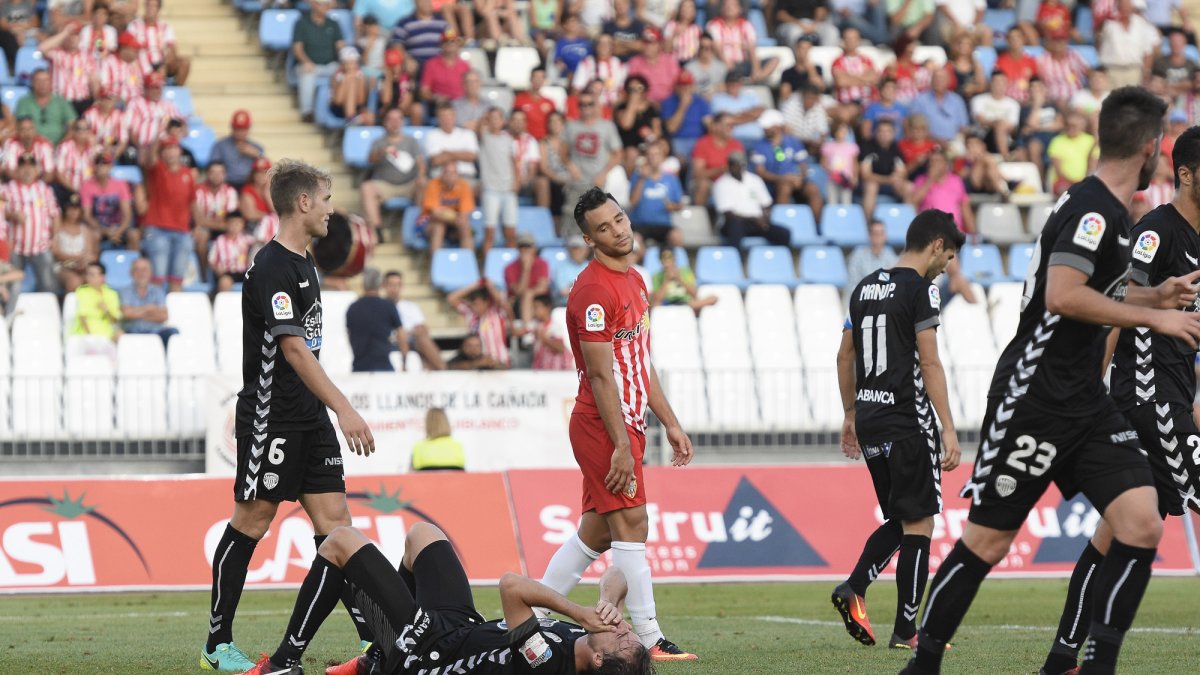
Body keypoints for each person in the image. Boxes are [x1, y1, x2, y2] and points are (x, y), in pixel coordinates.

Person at [899, 88, 1200, 675]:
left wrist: (1152, 292)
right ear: (1150, 148)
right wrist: (1155, 314)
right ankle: (924, 663)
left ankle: (1092, 665)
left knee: (1140, 521)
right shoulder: (1096, 213)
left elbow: (1085, 289)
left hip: (1085, 401)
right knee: (987, 543)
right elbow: (1063, 296)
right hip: (1034, 396)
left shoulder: (1107, 212)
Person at [200, 159, 376, 672]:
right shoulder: (273, 266)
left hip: (309, 417)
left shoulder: (305, 263)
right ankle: (217, 644)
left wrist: (327, 410)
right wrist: (344, 408)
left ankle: (372, 641)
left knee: (336, 526)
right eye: (324, 199)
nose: (330, 209)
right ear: (303, 203)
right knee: (253, 520)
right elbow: (296, 350)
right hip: (271, 417)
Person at [1037, 126, 1200, 675]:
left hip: (1175, 400)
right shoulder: (1155, 234)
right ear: (1184, 173)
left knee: (1114, 535)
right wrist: (1091, 393)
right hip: (1148, 400)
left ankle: (1063, 657)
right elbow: (1111, 308)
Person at [537, 188, 696, 662]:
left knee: (597, 533)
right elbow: (603, 375)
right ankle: (649, 637)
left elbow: (639, 362)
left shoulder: (637, 281)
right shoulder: (592, 291)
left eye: (620, 219)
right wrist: (622, 445)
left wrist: (669, 422)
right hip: (601, 425)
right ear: (589, 239)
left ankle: (531, 619)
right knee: (632, 523)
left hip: (627, 424)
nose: (618, 230)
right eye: (604, 227)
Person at [238, 522, 650, 675]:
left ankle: (282, 665)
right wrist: (607, 603)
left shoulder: (544, 664)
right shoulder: (588, 639)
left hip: (427, 655)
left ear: (599, 660)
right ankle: (375, 659)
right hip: (458, 630)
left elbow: (511, 586)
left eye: (623, 637)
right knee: (422, 536)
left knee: (340, 541)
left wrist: (582, 612)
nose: (623, 627)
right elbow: (615, 573)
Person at [834, 209, 964, 650]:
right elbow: (929, 361)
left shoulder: (864, 286)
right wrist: (948, 427)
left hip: (871, 419)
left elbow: (844, 356)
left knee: (903, 516)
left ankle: (854, 589)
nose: (946, 266)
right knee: (920, 521)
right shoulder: (922, 290)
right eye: (947, 257)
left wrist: (850, 414)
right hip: (909, 419)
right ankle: (906, 629)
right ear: (934, 246)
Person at [137, 134, 195, 291]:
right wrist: (157, 136)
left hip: (182, 231)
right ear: (161, 153)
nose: (170, 152)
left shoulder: (188, 174)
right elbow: (149, 160)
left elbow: (192, 203)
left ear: (179, 151)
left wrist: (195, 227)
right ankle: (159, 312)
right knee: (158, 276)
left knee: (177, 277)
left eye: (173, 148)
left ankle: (174, 314)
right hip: (157, 228)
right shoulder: (158, 169)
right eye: (166, 149)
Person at [360, 108, 425, 234]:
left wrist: (421, 176)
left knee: (424, 183)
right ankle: (377, 230)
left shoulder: (411, 141)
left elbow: (421, 163)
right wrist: (382, 152)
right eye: (391, 119)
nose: (395, 122)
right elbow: (370, 159)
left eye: (398, 119)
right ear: (385, 123)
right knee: (366, 188)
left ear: (402, 122)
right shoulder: (379, 142)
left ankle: (418, 227)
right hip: (386, 184)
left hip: (409, 184)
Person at [4, 152, 61, 293]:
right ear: (17, 170)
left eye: (31, 167)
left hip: (41, 245)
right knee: (12, 284)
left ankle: (50, 311)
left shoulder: (45, 189)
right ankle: (10, 312)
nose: (27, 170)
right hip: (14, 246)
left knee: (48, 283)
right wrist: (13, 215)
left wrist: (55, 237)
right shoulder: (6, 189)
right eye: (23, 167)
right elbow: (1, 213)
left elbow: (55, 214)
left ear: (36, 170)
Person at [752, 108, 823, 214]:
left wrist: (799, 177)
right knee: (785, 187)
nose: (764, 129)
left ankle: (816, 226)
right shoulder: (759, 146)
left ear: (777, 126)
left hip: (796, 180)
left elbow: (803, 164)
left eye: (767, 127)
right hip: (773, 184)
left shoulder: (793, 141)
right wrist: (782, 179)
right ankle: (782, 224)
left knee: (812, 189)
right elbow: (760, 172)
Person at [713, 150, 789, 247]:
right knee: (735, 227)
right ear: (729, 166)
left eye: (741, 164)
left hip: (757, 223)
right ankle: (736, 260)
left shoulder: (755, 180)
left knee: (784, 233)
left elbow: (766, 204)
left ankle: (778, 259)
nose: (739, 167)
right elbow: (728, 214)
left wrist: (765, 220)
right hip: (734, 223)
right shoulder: (721, 183)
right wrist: (754, 220)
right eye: (735, 165)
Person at [293, 0, 346, 124]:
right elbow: (297, 49)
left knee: (345, 72)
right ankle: (307, 112)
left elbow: (341, 46)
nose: (326, 7)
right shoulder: (302, 23)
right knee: (307, 74)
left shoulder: (333, 23)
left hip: (330, 65)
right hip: (310, 65)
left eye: (327, 4)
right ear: (314, 5)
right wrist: (306, 62)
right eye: (323, 4)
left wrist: (344, 62)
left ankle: (340, 109)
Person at [383, 270, 446, 370]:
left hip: (412, 340)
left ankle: (442, 370)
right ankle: (443, 372)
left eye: (398, 285)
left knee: (423, 339)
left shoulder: (410, 306)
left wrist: (407, 333)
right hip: (389, 342)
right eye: (391, 285)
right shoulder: (380, 307)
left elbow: (423, 329)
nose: (394, 288)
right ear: (384, 286)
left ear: (402, 287)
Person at [346, 267, 404, 373]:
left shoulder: (353, 308)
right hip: (383, 366)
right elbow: (401, 335)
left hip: (359, 366)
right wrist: (404, 362)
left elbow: (350, 336)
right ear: (380, 285)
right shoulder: (388, 306)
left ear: (363, 285)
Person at [627, 141, 684, 249]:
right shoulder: (637, 176)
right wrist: (642, 179)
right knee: (635, 242)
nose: (653, 158)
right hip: (640, 225)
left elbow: (680, 204)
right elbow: (632, 202)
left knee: (676, 236)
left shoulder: (671, 179)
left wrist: (673, 206)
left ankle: (677, 265)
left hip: (663, 225)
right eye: (650, 155)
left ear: (662, 157)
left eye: (656, 154)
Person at [479, 107, 520, 255]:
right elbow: (478, 126)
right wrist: (484, 117)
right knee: (490, 231)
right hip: (491, 190)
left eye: (498, 118)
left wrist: (516, 180)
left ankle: (511, 263)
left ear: (503, 121)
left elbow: (514, 161)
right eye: (492, 118)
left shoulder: (509, 139)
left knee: (511, 232)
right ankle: (487, 269)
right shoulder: (484, 136)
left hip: (508, 189)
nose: (495, 121)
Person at [81, 151, 137, 251]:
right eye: (98, 163)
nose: (101, 166)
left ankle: (135, 264)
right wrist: (106, 231)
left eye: (105, 163)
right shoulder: (86, 186)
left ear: (110, 166)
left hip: (118, 226)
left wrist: (118, 231)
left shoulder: (120, 185)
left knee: (134, 235)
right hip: (98, 227)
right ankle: (95, 264)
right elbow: (87, 216)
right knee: (94, 236)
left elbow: (127, 215)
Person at [448, 279, 511, 367]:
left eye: (480, 304)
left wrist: (490, 286)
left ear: (487, 303)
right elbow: (451, 298)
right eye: (474, 304)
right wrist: (476, 284)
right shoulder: (470, 314)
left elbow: (502, 303)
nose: (477, 307)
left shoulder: (495, 313)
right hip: (477, 362)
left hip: (499, 361)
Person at [910, 150, 973, 235]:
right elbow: (913, 202)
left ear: (946, 165)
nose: (933, 164)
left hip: (954, 232)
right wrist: (930, 180)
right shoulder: (921, 180)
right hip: (930, 233)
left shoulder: (956, 180)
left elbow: (965, 208)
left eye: (937, 161)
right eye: (931, 161)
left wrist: (973, 233)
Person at [420, 159, 475, 254]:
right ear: (442, 174)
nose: (450, 176)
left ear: (458, 174)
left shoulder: (464, 186)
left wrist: (455, 218)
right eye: (447, 173)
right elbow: (435, 213)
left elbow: (465, 213)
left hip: (455, 225)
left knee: (465, 226)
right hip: (430, 224)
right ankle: (436, 264)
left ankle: (468, 262)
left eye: (453, 173)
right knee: (439, 227)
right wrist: (455, 218)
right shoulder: (433, 184)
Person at [119, 256, 177, 345]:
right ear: (131, 273)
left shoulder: (158, 291)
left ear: (150, 273)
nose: (141, 273)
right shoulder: (125, 291)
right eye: (137, 270)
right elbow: (126, 314)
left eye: (144, 270)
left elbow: (164, 316)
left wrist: (136, 312)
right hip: (133, 332)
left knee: (173, 333)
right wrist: (149, 309)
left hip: (156, 332)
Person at [859, 120, 908, 221]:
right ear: (875, 132)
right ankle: (868, 223)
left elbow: (902, 171)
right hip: (871, 183)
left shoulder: (896, 148)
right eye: (881, 131)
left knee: (909, 187)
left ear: (893, 133)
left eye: (888, 131)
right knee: (871, 186)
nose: (884, 135)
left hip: (890, 184)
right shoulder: (867, 146)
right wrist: (888, 179)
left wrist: (896, 177)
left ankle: (907, 223)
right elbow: (865, 174)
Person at [15, 69, 76, 145]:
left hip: (59, 145)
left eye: (46, 80)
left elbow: (73, 124)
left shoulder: (61, 101)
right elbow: (20, 126)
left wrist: (63, 144)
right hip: (32, 145)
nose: (42, 84)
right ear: (32, 83)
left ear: (51, 82)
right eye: (38, 81)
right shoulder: (24, 102)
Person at [660, 70, 711, 161]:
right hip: (678, 139)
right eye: (682, 86)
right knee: (680, 160)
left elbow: (709, 124)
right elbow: (671, 128)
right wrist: (683, 106)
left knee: (699, 158)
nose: (685, 89)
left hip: (698, 139)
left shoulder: (700, 101)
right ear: (676, 87)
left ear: (692, 86)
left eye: (688, 86)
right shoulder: (668, 102)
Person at [424, 102, 479, 185]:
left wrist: (447, 154)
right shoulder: (432, 135)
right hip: (440, 179)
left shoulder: (468, 134)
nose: (446, 119)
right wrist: (462, 154)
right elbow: (436, 160)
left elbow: (472, 156)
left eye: (449, 116)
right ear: (438, 118)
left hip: (466, 178)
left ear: (454, 117)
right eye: (443, 116)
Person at [650, 246, 717, 313]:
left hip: (686, 302)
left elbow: (694, 293)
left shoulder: (685, 271)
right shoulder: (656, 276)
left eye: (669, 257)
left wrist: (679, 279)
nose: (666, 260)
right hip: (667, 303)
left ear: (674, 258)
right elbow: (658, 299)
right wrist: (667, 280)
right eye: (663, 257)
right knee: (653, 304)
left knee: (713, 298)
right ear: (660, 260)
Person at [504, 231, 551, 327]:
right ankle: (529, 330)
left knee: (530, 296)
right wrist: (526, 269)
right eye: (522, 246)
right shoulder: (510, 268)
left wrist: (529, 294)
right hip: (518, 302)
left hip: (538, 300)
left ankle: (530, 330)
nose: (525, 249)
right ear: (518, 249)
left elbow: (543, 287)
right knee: (527, 295)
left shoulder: (542, 263)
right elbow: (518, 292)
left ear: (534, 248)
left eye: (528, 246)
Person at [53, 192, 96, 293]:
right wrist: (77, 258)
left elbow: (90, 253)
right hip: (62, 266)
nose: (73, 212)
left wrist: (82, 262)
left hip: (83, 265)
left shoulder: (85, 229)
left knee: (93, 278)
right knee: (74, 281)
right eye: (70, 209)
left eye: (76, 209)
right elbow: (56, 253)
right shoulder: (58, 228)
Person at [210, 110, 266, 189]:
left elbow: (267, 168)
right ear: (232, 127)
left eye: (243, 129)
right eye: (237, 128)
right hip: (226, 185)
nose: (240, 132)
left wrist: (256, 154)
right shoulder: (220, 145)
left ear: (248, 128)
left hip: (250, 185)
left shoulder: (256, 147)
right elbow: (213, 168)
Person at [71, 261, 123, 340]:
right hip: (86, 334)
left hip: (107, 334)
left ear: (103, 277)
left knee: (120, 334)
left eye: (92, 274)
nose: (88, 277)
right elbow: (82, 318)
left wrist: (106, 311)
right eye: (87, 274)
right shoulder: (82, 291)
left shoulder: (112, 294)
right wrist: (90, 337)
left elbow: (115, 321)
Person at [418, 28, 469, 106]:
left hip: (461, 106)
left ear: (458, 44)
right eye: (446, 41)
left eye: (453, 41)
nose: (450, 44)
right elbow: (424, 91)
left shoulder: (465, 65)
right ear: (441, 45)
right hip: (440, 106)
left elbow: (470, 88)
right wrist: (435, 97)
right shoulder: (431, 64)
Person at [209, 211, 255, 293]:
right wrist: (217, 270)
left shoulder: (246, 239)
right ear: (226, 224)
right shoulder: (219, 241)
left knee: (259, 280)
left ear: (242, 225)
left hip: (244, 272)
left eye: (238, 223)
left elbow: (260, 244)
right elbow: (211, 261)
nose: (235, 226)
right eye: (232, 223)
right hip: (227, 272)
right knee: (225, 282)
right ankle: (222, 304)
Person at [847, 220, 900, 287]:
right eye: (876, 233)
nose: (879, 237)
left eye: (881, 233)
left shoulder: (891, 256)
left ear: (885, 236)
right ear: (869, 236)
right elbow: (853, 283)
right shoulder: (857, 256)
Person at [530, 293, 573, 370]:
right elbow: (517, 332)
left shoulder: (555, 326)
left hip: (555, 369)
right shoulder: (535, 325)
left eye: (537, 307)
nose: (534, 310)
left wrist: (544, 339)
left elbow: (560, 348)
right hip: (540, 367)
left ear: (547, 307)